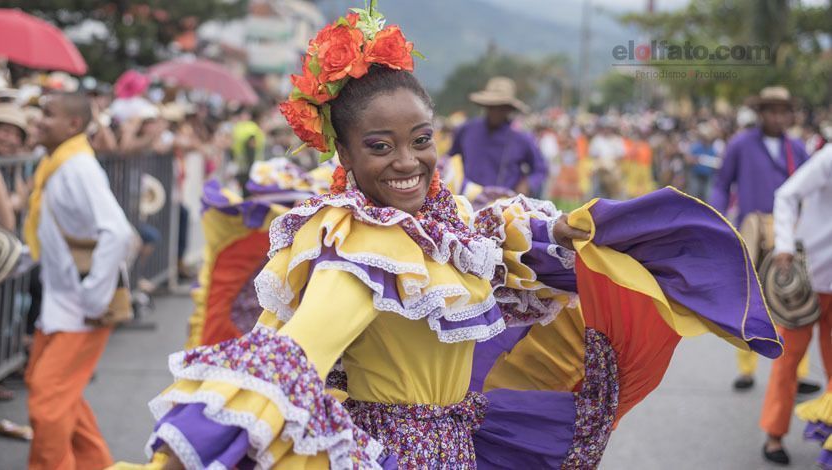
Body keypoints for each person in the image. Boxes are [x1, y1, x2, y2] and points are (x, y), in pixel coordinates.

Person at [117, 8, 782, 469]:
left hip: (454, 449)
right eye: (379, 147)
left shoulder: (457, 226)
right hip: (396, 455)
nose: (406, 161)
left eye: (420, 140)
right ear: (342, 155)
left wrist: (645, 248)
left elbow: (540, 250)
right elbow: (292, 357)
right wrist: (184, 451)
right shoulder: (355, 250)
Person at [22, 91, 133, 470]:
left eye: (47, 114)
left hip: (79, 310)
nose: (37, 120)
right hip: (61, 305)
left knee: (47, 402)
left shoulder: (78, 167)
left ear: (72, 124)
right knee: (60, 398)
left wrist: (93, 298)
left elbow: (117, 232)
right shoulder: (56, 164)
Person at [709, 86, 814, 393]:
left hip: (788, 234)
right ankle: (747, 369)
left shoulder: (797, 148)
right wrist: (716, 220)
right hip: (752, 232)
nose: (778, 116)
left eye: (783, 111)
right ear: (760, 113)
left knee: (794, 302)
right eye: (771, 110)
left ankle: (797, 370)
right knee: (751, 302)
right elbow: (721, 184)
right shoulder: (740, 144)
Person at [764, 144, 832, 466]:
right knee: (788, 358)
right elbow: (786, 194)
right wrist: (785, 244)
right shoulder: (829, 157)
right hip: (807, 279)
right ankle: (774, 434)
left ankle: (828, 440)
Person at [448, 77, 548, 197]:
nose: (495, 112)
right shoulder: (466, 130)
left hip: (502, 204)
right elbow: (451, 159)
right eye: (491, 106)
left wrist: (527, 183)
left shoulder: (521, 138)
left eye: (501, 107)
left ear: (509, 109)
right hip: (467, 200)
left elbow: (540, 169)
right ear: (485, 106)